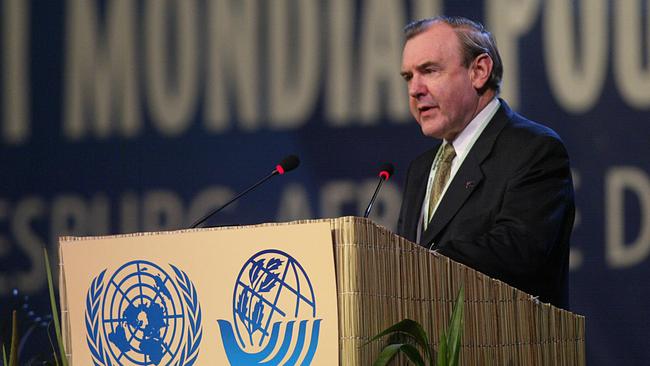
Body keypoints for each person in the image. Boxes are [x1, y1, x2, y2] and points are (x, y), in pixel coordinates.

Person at [396, 16, 575, 309]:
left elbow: (518, 252)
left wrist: (409, 265)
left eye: (429, 70)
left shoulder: (534, 150)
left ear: (478, 71)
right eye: (408, 77)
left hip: (505, 347)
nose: (415, 89)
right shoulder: (421, 168)